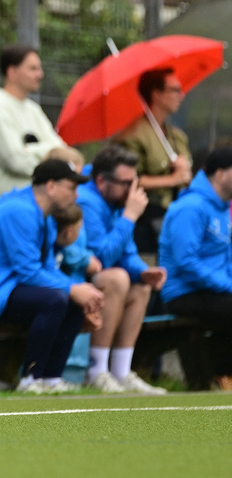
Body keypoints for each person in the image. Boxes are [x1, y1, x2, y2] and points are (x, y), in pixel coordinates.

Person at [0, 159, 104, 394]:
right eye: (71, 188)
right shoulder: (19, 211)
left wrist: (78, 291)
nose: (76, 195)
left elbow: (48, 269)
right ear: (51, 186)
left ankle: (51, 379)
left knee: (70, 303)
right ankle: (31, 379)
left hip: (4, 289)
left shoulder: (46, 217)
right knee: (55, 300)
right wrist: (72, 289)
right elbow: (28, 272)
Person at [74, 144, 167, 394]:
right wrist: (130, 217)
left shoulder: (116, 204)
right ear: (102, 180)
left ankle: (121, 371)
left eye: (134, 182)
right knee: (117, 279)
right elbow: (101, 257)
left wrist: (143, 271)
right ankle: (96, 371)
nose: (132, 190)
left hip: (96, 282)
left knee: (139, 285)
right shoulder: (86, 201)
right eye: (125, 183)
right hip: (73, 282)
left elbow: (127, 253)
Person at [158, 146, 232, 391]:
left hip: (211, 291)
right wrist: (227, 285)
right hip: (182, 292)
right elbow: (186, 263)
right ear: (221, 174)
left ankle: (216, 374)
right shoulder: (191, 207)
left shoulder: (220, 209)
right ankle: (219, 375)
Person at [0, 44, 67, 210]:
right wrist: (50, 153)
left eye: (39, 68)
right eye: (33, 68)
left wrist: (32, 150)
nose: (40, 74)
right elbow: (16, 161)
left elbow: (61, 150)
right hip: (7, 210)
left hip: (36, 208)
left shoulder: (33, 109)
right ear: (12, 72)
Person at [115, 68, 193, 256]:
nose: (181, 96)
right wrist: (173, 179)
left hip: (175, 213)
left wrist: (185, 171)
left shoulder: (177, 136)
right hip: (146, 217)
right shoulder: (134, 135)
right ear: (157, 94)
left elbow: (187, 177)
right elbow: (130, 180)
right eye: (175, 90)